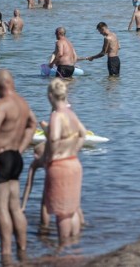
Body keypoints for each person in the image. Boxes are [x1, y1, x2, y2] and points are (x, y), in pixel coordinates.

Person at [0, 69, 37, 259]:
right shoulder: (22, 103)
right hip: (15, 157)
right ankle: (22, 250)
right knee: (14, 206)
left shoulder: (2, 104)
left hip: (0, 159)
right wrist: (21, 147)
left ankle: (5, 253)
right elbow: (32, 124)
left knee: (0, 208)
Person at [42, 78, 87, 245]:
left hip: (60, 166)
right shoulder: (71, 113)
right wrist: (75, 149)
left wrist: (51, 157)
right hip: (74, 162)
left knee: (61, 212)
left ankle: (62, 248)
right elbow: (83, 134)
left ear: (51, 95)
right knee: (72, 209)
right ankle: (74, 247)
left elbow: (53, 139)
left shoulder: (57, 116)